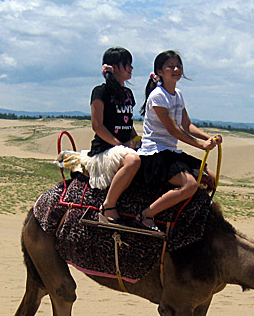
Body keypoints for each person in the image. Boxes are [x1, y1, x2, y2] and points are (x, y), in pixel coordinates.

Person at [135, 50, 222, 232]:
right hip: (155, 154)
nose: (176, 69)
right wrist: (201, 145)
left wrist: (209, 138)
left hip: (171, 152)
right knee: (189, 185)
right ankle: (146, 214)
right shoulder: (158, 96)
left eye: (178, 66)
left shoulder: (178, 94)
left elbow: (187, 124)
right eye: (170, 66)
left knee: (211, 178)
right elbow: (173, 130)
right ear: (159, 72)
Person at [89, 47, 141, 227]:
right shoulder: (100, 92)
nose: (131, 68)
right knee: (133, 161)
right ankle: (108, 206)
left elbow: (127, 122)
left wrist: (136, 140)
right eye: (127, 64)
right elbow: (97, 125)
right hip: (105, 150)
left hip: (125, 147)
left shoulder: (128, 94)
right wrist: (120, 145)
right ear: (114, 67)